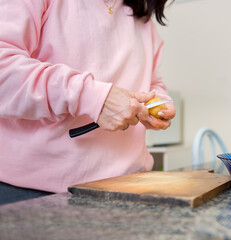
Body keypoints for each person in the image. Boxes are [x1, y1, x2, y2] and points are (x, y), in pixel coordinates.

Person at [0, 0, 176, 203]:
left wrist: (157, 102)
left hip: (129, 187)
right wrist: (91, 97)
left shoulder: (141, 13)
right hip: (34, 194)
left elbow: (151, 80)